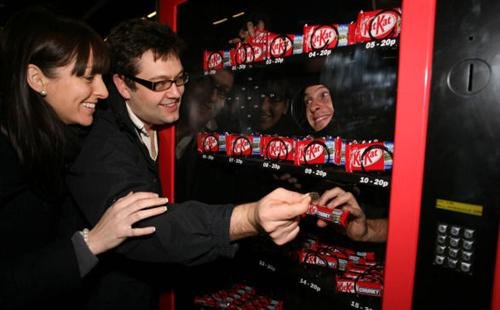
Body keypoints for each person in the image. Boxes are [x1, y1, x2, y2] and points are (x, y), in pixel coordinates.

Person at [65, 18, 311, 309]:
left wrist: (252, 53)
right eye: (159, 84)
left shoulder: (168, 119)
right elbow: (144, 228)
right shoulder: (99, 137)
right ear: (123, 85)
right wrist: (250, 218)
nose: (175, 93)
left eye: (180, 79)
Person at [0, 8, 170, 310]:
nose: (102, 91)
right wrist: (91, 242)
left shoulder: (56, 140)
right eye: (88, 77)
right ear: (37, 79)